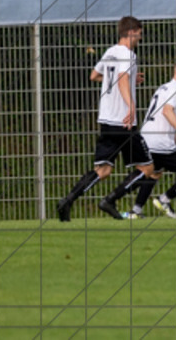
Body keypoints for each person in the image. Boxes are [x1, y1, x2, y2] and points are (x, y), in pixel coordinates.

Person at [56, 16, 155, 221]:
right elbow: (120, 79)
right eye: (139, 33)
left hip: (106, 119)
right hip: (123, 121)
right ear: (132, 32)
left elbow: (95, 76)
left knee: (103, 170)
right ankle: (110, 200)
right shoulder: (128, 54)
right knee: (147, 168)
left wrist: (130, 77)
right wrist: (131, 105)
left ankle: (68, 200)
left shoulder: (110, 52)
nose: (140, 38)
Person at [124, 60, 176, 219]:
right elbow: (167, 113)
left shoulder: (163, 88)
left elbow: (166, 127)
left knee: (154, 174)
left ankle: (136, 210)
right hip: (160, 144)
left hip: (147, 139)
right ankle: (164, 200)